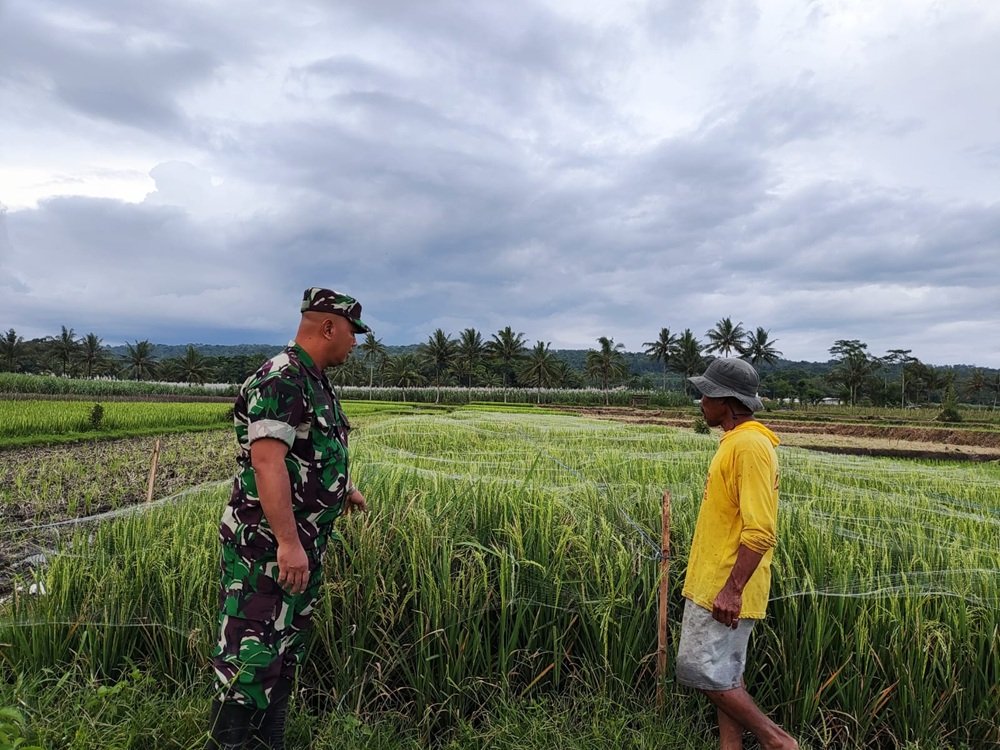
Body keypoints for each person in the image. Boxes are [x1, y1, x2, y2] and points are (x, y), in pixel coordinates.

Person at [206, 287, 372, 750]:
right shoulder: (281, 377)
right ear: (328, 327)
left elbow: (310, 452)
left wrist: (345, 489)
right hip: (265, 549)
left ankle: (268, 743)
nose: (355, 344)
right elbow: (267, 463)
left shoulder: (313, 380)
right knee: (250, 653)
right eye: (352, 332)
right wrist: (288, 542)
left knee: (283, 651)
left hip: (301, 545)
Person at [677, 358, 798, 750]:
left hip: (724, 586)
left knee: (697, 670)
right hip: (717, 581)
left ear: (725, 401)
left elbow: (760, 531)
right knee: (726, 674)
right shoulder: (737, 442)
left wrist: (731, 589)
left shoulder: (749, 446)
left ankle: (777, 741)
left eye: (705, 394)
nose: (700, 402)